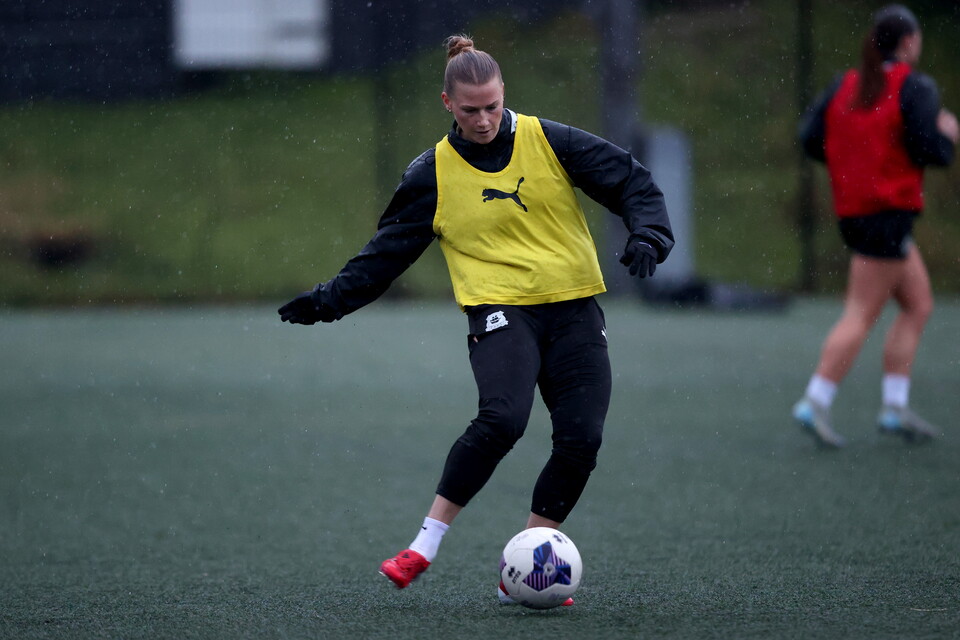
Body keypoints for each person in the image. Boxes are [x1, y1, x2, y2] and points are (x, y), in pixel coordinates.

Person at [278, 35, 673, 602]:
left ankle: (526, 566)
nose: (484, 120)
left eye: (492, 106)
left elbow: (630, 180)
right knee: (503, 419)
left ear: (503, 93)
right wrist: (326, 301)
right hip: (500, 311)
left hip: (574, 309)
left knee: (581, 440)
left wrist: (649, 234)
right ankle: (423, 547)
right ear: (448, 104)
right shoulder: (431, 174)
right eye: (470, 110)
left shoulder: (551, 140)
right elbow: (384, 256)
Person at [793, 4, 957, 448]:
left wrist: (853, 161)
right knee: (861, 312)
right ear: (908, 42)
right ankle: (815, 399)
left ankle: (894, 407)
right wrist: (947, 134)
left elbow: (810, 138)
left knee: (918, 303)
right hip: (887, 215)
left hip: (857, 212)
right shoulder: (915, 86)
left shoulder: (846, 84)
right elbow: (930, 149)